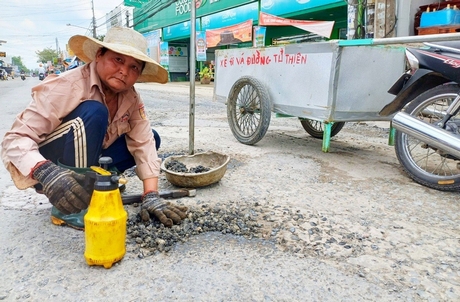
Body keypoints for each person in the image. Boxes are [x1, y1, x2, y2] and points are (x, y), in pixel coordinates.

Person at [1, 27, 187, 230]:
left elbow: (143, 142)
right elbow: (15, 139)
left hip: (89, 158)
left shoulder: (131, 97)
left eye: (134, 67)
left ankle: (97, 187)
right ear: (99, 55)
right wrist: (46, 172)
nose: (124, 71)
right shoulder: (67, 85)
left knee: (153, 137)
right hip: (51, 168)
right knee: (94, 111)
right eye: (118, 60)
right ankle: (70, 208)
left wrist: (151, 195)